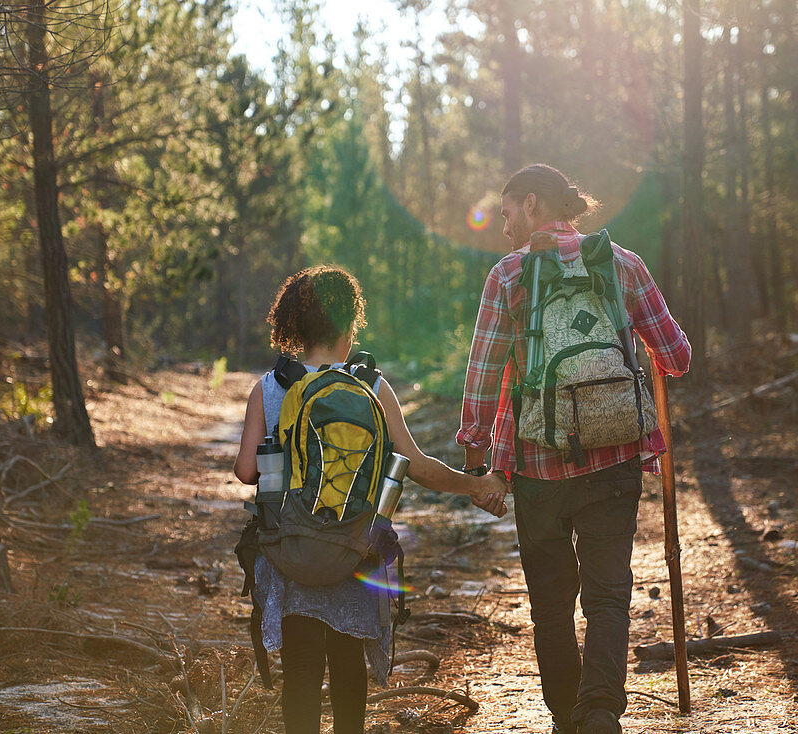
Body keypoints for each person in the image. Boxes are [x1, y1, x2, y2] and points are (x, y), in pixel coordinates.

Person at [459, 164, 691, 734]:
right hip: (615, 456)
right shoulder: (623, 264)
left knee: (551, 604)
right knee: (609, 596)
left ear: (532, 203)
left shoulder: (508, 275)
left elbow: (485, 372)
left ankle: (566, 716)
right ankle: (601, 712)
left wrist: (477, 454)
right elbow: (678, 357)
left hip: (538, 465)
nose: (505, 225)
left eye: (509, 210)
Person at [235, 265, 508, 734]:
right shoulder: (372, 386)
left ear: (295, 328)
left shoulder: (270, 387)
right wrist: (476, 484)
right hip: (356, 550)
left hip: (290, 551)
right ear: (349, 325)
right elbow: (417, 467)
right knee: (348, 664)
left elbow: (244, 471)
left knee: (300, 669)